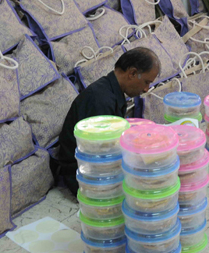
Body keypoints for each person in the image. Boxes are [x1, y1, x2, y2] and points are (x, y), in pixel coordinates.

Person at [52, 47, 160, 195]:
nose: (147, 89)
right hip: (84, 175)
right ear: (132, 73)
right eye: (146, 82)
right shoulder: (100, 99)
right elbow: (101, 153)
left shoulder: (111, 92)